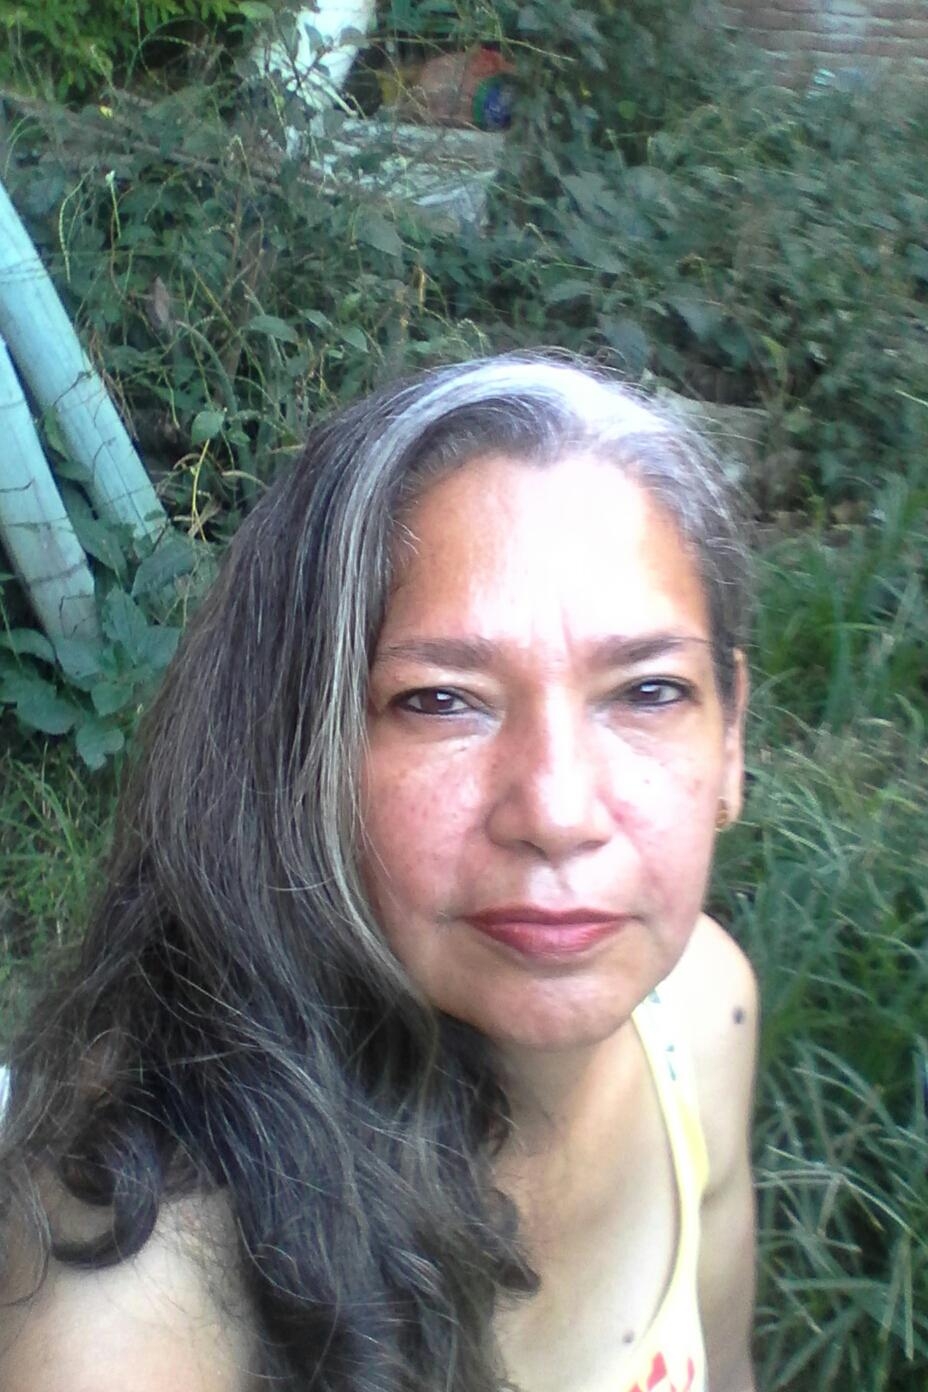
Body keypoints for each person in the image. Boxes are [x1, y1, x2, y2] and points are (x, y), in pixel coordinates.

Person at [0, 354, 758, 1392]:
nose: (557, 812)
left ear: (731, 738)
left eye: (648, 691)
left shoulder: (704, 1012)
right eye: (440, 700)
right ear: (293, 754)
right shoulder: (129, 1308)